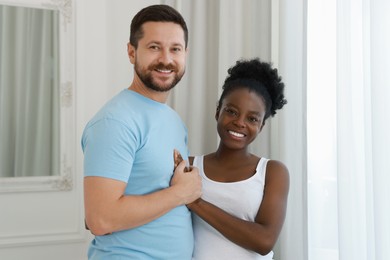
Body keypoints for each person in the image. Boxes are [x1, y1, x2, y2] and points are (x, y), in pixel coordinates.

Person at [81, 5, 202, 259]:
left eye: (175, 49)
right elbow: (100, 219)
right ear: (131, 52)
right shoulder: (115, 121)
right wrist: (180, 193)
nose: (166, 59)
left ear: (185, 54)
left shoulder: (174, 121)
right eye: (154, 47)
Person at [188, 58, 289, 259]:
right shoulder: (190, 166)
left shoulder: (272, 172)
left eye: (252, 118)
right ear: (218, 111)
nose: (239, 123)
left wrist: (196, 203)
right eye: (232, 111)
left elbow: (264, 241)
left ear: (261, 126)